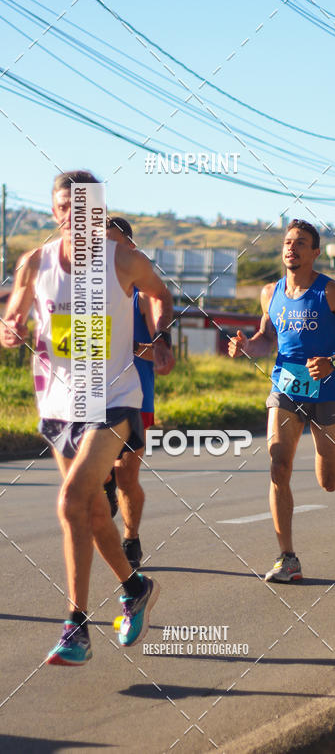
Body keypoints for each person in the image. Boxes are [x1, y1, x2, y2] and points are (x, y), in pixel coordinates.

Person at [0, 170, 174, 665]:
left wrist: (159, 337)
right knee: (93, 512)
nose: (72, 218)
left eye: (83, 209)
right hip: (59, 406)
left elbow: (161, 294)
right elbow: (10, 317)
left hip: (114, 398)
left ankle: (75, 624)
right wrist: (9, 331)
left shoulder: (125, 260)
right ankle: (135, 586)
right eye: (63, 209)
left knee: (73, 499)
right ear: (54, 212)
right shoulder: (34, 262)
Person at [228, 219, 335, 581]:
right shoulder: (270, 293)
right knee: (279, 465)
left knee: (328, 482)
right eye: (287, 242)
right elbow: (267, 338)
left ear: (315, 252)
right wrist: (248, 345)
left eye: (300, 243)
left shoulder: (331, 293)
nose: (291, 248)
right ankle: (287, 558)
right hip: (285, 388)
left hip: (327, 392)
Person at [106, 216, 159, 569]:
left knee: (127, 473)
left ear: (130, 249)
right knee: (101, 474)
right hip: (95, 399)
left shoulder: (143, 297)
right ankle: (105, 485)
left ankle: (131, 537)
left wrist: (131, 348)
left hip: (136, 399)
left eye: (114, 243)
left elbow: (161, 352)